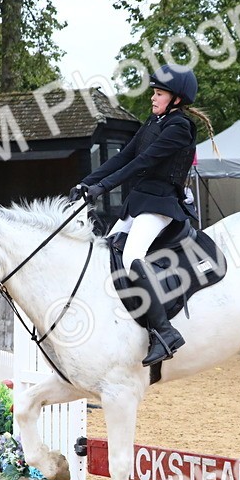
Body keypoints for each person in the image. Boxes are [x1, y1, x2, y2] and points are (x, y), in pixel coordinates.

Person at [69, 64, 214, 366]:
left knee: (131, 256)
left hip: (161, 205)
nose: (153, 97)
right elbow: (124, 156)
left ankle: (165, 332)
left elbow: (143, 163)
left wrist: (102, 189)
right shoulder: (154, 121)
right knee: (103, 256)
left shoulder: (180, 127)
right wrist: (87, 182)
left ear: (175, 99)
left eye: (159, 93)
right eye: (154, 92)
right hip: (139, 204)